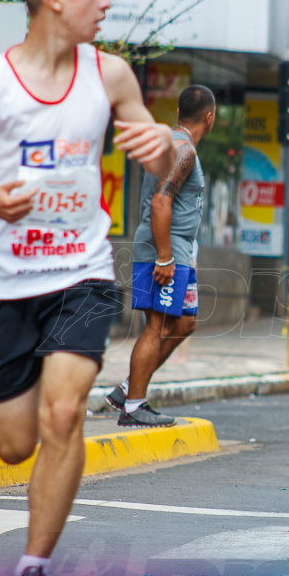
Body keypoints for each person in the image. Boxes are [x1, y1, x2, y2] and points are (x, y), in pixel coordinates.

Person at [0, 0, 175, 576]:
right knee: (12, 445)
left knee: (65, 413)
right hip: (4, 284)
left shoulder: (110, 73)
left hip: (81, 274)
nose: (107, 2)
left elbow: (163, 156)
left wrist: (159, 149)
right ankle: (25, 399)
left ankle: (33, 569)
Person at [107, 85, 213, 427]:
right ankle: (134, 406)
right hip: (163, 248)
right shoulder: (184, 151)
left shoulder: (170, 141)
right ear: (209, 117)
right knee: (157, 326)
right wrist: (165, 257)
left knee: (185, 322)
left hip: (177, 248)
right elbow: (160, 202)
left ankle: (127, 389)